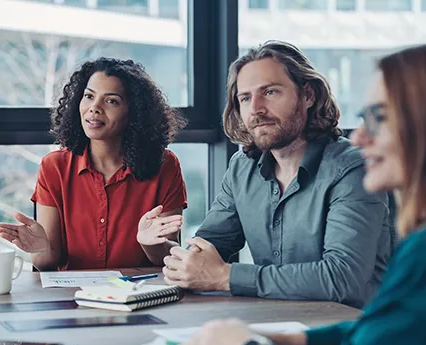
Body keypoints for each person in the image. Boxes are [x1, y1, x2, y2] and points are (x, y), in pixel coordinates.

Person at [177, 40, 426, 345]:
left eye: (381, 117)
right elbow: (397, 328)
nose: (361, 136)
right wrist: (294, 341)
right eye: (245, 98)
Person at [161, 41, 390, 308]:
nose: (256, 108)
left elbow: (341, 278)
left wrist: (227, 276)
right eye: (245, 98)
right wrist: (185, 263)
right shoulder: (241, 168)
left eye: (270, 92)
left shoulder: (351, 168)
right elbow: (206, 249)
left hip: (348, 327)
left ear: (308, 96)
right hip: (272, 320)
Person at [0, 58, 188, 270]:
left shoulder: (165, 165)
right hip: (73, 298)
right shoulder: (54, 167)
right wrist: (41, 249)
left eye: (111, 101)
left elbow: (171, 258)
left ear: (134, 113)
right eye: (89, 96)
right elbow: (46, 264)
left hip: (140, 296)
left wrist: (149, 244)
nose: (94, 108)